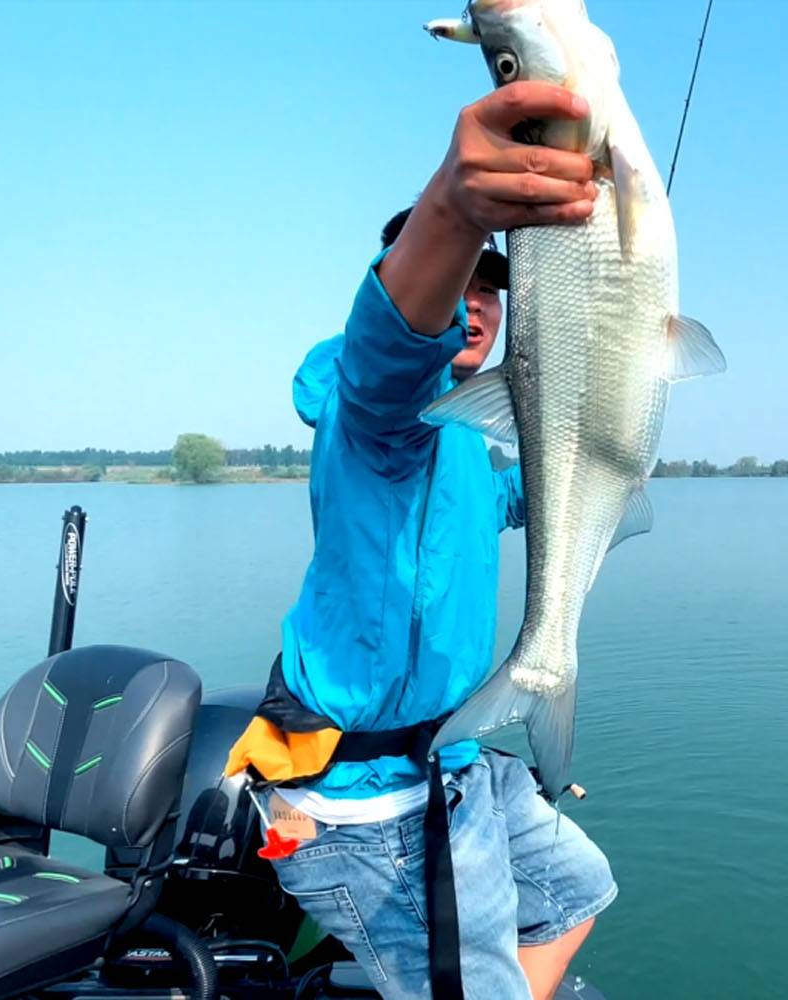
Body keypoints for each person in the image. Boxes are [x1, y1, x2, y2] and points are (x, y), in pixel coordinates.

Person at [256, 82, 616, 1000]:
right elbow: (390, 350)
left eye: (496, 283)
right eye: (461, 275)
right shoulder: (378, 411)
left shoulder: (461, 431)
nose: (479, 296)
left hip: (457, 764)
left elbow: (501, 500)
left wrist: (597, 453)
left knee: (577, 890)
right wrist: (454, 208)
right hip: (365, 802)